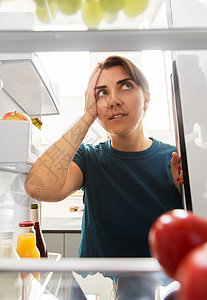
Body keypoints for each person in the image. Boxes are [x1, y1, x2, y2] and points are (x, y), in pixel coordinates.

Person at [25, 55, 183, 259]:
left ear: (146, 99)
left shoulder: (174, 160)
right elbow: (37, 187)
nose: (113, 101)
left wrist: (186, 192)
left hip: (159, 288)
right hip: (95, 287)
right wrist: (87, 116)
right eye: (102, 93)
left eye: (126, 86)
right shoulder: (89, 158)